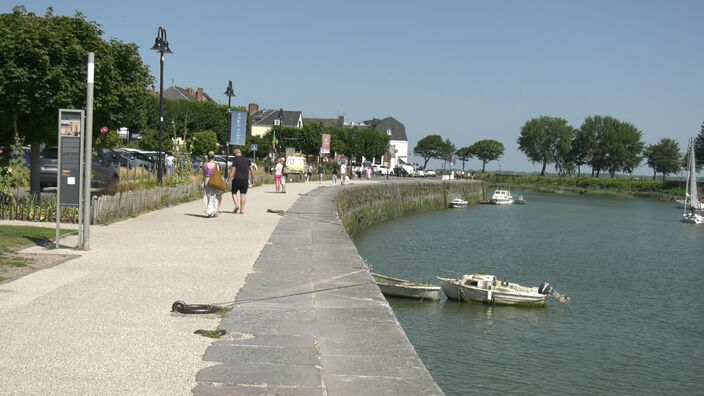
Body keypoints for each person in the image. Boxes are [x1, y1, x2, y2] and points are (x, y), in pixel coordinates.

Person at [227, 148, 255, 214]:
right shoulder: (247, 160)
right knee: (243, 194)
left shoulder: (235, 160)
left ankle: (236, 205)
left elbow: (233, 171)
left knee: (234, 193)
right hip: (245, 180)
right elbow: (251, 169)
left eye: (234, 155)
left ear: (236, 153)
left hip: (237, 179)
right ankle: (242, 210)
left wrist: (229, 180)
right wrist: (252, 178)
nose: (234, 156)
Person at [202, 151, 222, 217]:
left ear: (208, 157)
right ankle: (214, 212)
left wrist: (204, 182)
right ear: (214, 157)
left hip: (207, 180)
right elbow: (218, 174)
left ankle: (209, 212)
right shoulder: (216, 165)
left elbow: (203, 174)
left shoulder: (204, 165)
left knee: (208, 196)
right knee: (214, 196)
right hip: (214, 181)